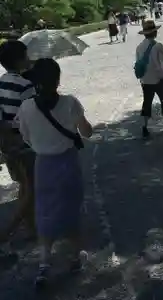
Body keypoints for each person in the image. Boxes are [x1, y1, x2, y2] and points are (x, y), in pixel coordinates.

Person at [16, 58, 92, 287]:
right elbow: (86, 132)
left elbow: (26, 137)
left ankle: (44, 264)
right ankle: (75, 256)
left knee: (45, 212)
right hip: (67, 163)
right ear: (58, 80)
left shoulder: (26, 107)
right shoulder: (70, 103)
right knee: (71, 209)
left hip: (43, 166)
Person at [0, 41, 36, 241]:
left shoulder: (1, 81)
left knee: (25, 184)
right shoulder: (25, 86)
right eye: (26, 55)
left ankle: (32, 228)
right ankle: (7, 232)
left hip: (6, 142)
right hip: (24, 141)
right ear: (20, 60)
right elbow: (31, 114)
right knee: (33, 188)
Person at [135, 20, 163, 139]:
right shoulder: (158, 46)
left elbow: (138, 63)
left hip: (145, 80)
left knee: (147, 102)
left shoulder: (139, 47)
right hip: (158, 79)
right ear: (154, 33)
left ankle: (144, 126)